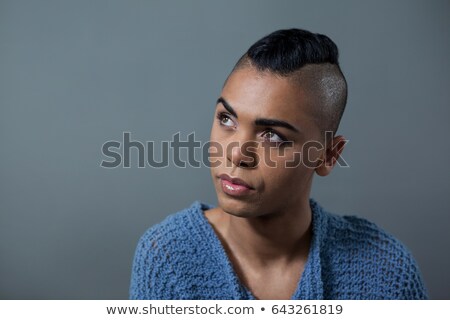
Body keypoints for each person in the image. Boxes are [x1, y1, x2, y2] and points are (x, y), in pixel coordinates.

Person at [129, 28, 428, 299]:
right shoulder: (166, 257)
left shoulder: (385, 271)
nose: (236, 154)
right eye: (226, 119)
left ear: (327, 156)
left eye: (272, 136)